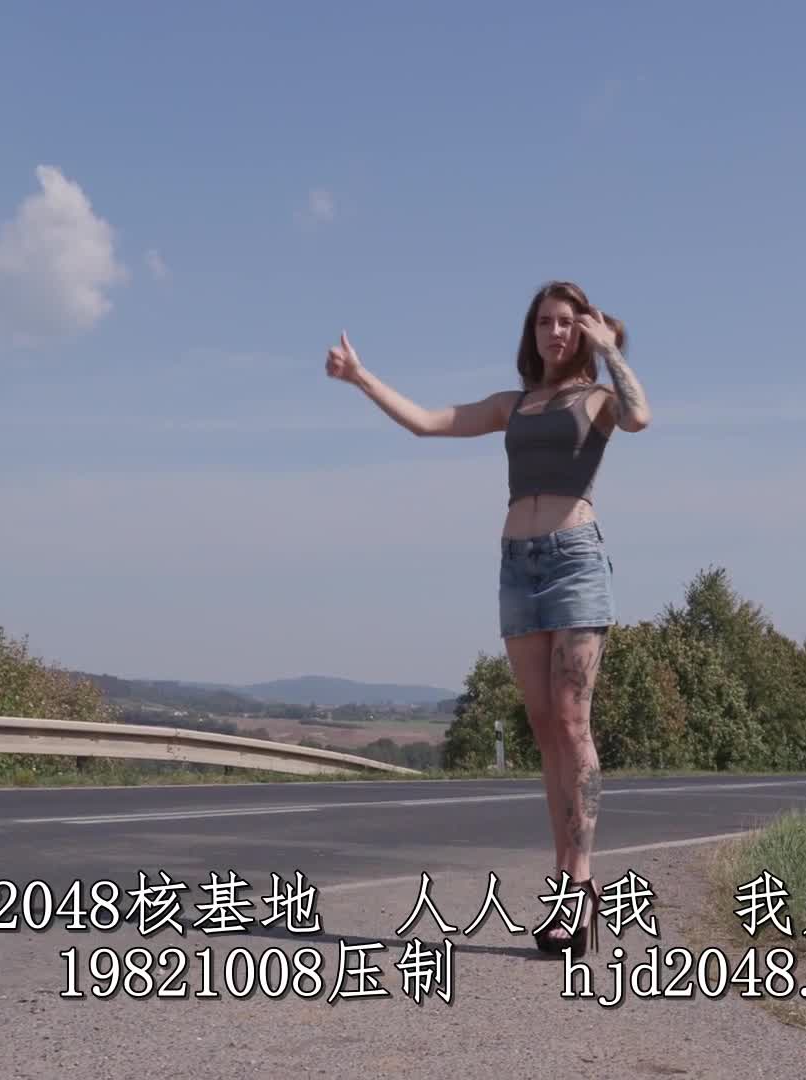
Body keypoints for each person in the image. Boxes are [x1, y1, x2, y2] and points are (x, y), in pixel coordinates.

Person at [324, 280, 652, 957]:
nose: (555, 332)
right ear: (532, 333)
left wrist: (610, 350)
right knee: (545, 729)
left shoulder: (598, 400)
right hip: (517, 566)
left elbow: (641, 416)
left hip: (575, 561)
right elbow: (428, 421)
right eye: (545, 322)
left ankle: (578, 882)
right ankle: (566, 882)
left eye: (567, 322)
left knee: (573, 722)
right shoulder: (515, 404)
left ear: (585, 329)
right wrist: (360, 377)